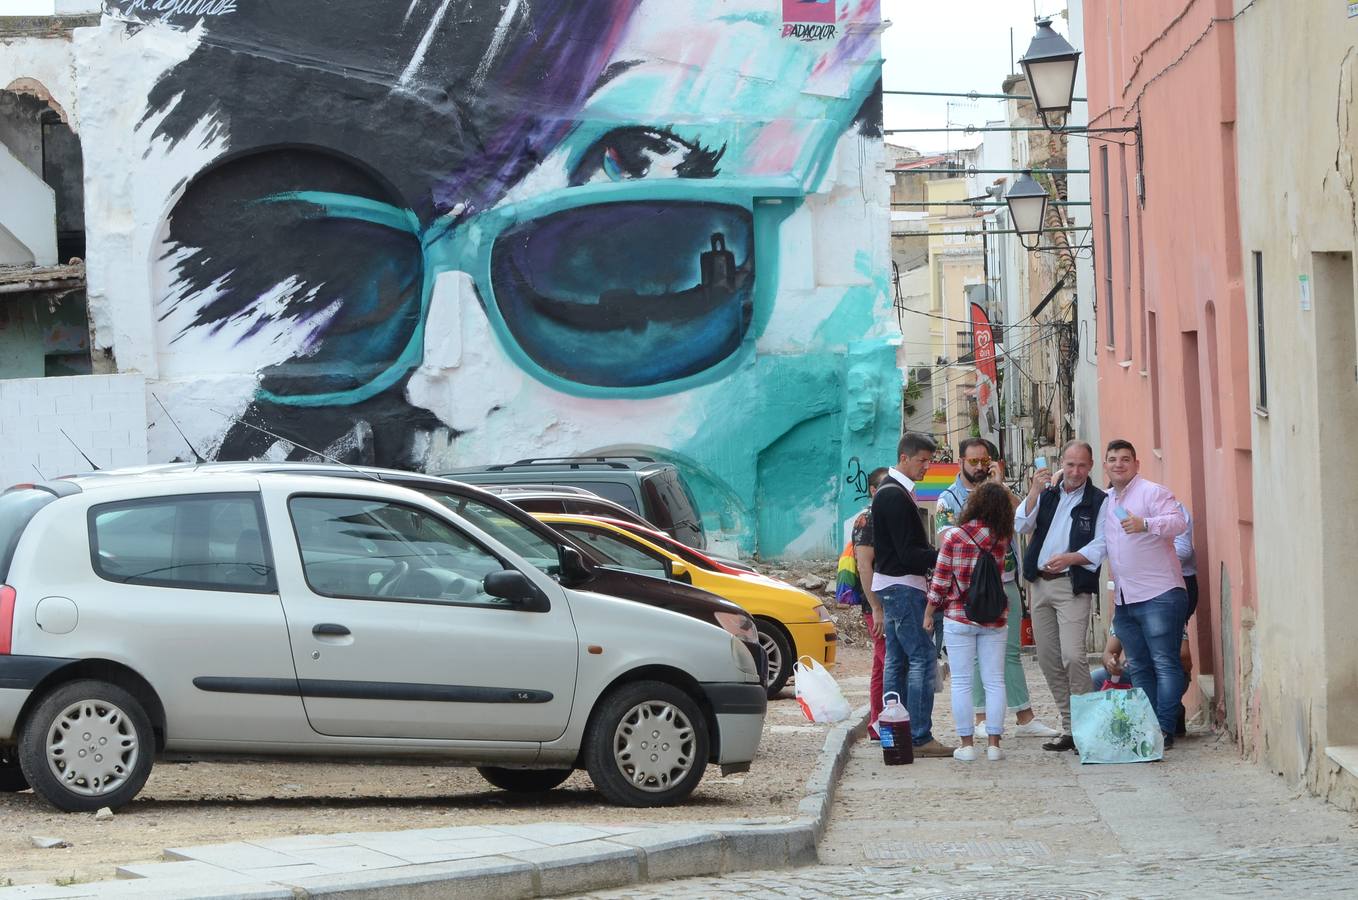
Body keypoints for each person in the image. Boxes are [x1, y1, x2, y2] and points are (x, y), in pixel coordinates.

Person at [1056, 440, 1189, 747]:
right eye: (1113, 459)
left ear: (1136, 464)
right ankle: (1149, 727)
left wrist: (1146, 524)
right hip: (1126, 599)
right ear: (1105, 465)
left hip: (1160, 593)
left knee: (1165, 663)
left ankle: (1165, 729)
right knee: (1139, 666)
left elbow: (1178, 522)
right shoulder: (1107, 501)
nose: (1118, 464)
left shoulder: (1152, 492)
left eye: (1125, 459)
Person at [935, 439, 1059, 738]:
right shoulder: (947, 499)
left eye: (984, 461)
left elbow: (1023, 521)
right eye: (973, 461)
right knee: (976, 656)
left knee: (1011, 652)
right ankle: (980, 718)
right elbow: (946, 540)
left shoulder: (1001, 493)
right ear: (961, 461)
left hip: (1006, 583)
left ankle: (1025, 717)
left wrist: (999, 488)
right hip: (969, 589)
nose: (979, 467)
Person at [1014, 440, 1107, 752]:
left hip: (1072, 585)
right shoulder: (1048, 493)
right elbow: (1021, 523)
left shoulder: (1098, 500)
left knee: (1073, 656)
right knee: (1049, 658)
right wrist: (1033, 492)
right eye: (1070, 464)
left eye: (1082, 465)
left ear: (1090, 466)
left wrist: (1071, 558)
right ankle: (1070, 728)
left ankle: (1088, 730)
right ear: (1061, 463)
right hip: (1039, 583)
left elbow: (1102, 543)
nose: (1075, 471)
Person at [871, 432, 953, 758]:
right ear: (904, 458)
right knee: (921, 656)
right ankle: (919, 735)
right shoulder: (894, 495)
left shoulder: (891, 492)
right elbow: (907, 553)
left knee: (897, 659)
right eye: (922, 460)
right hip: (904, 586)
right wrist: (941, 556)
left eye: (929, 461)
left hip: (892, 585)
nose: (927, 467)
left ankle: (896, 728)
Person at [925, 482, 1016, 761]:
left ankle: (966, 745)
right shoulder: (1002, 538)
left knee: (962, 682)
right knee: (995, 681)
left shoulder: (955, 537)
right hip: (995, 617)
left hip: (959, 616)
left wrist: (929, 612)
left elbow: (940, 580)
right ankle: (994, 745)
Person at [848, 467, 890, 738]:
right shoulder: (867, 521)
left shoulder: (881, 517)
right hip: (878, 604)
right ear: (874, 491)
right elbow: (865, 566)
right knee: (890, 664)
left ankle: (877, 724)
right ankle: (890, 726)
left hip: (880, 603)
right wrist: (876, 608)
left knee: (880, 664)